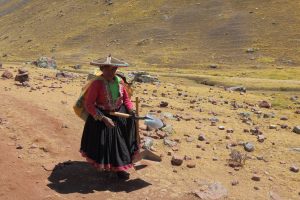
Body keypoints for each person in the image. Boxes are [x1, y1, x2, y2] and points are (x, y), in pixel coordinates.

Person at [80, 55, 139, 179]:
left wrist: (131, 109)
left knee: (120, 143)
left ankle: (119, 169)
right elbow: (89, 104)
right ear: (102, 69)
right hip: (102, 116)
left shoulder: (120, 81)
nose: (111, 72)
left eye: (113, 69)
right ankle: (108, 166)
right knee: (106, 144)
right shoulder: (97, 84)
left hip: (119, 114)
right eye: (108, 69)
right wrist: (103, 118)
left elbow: (126, 100)